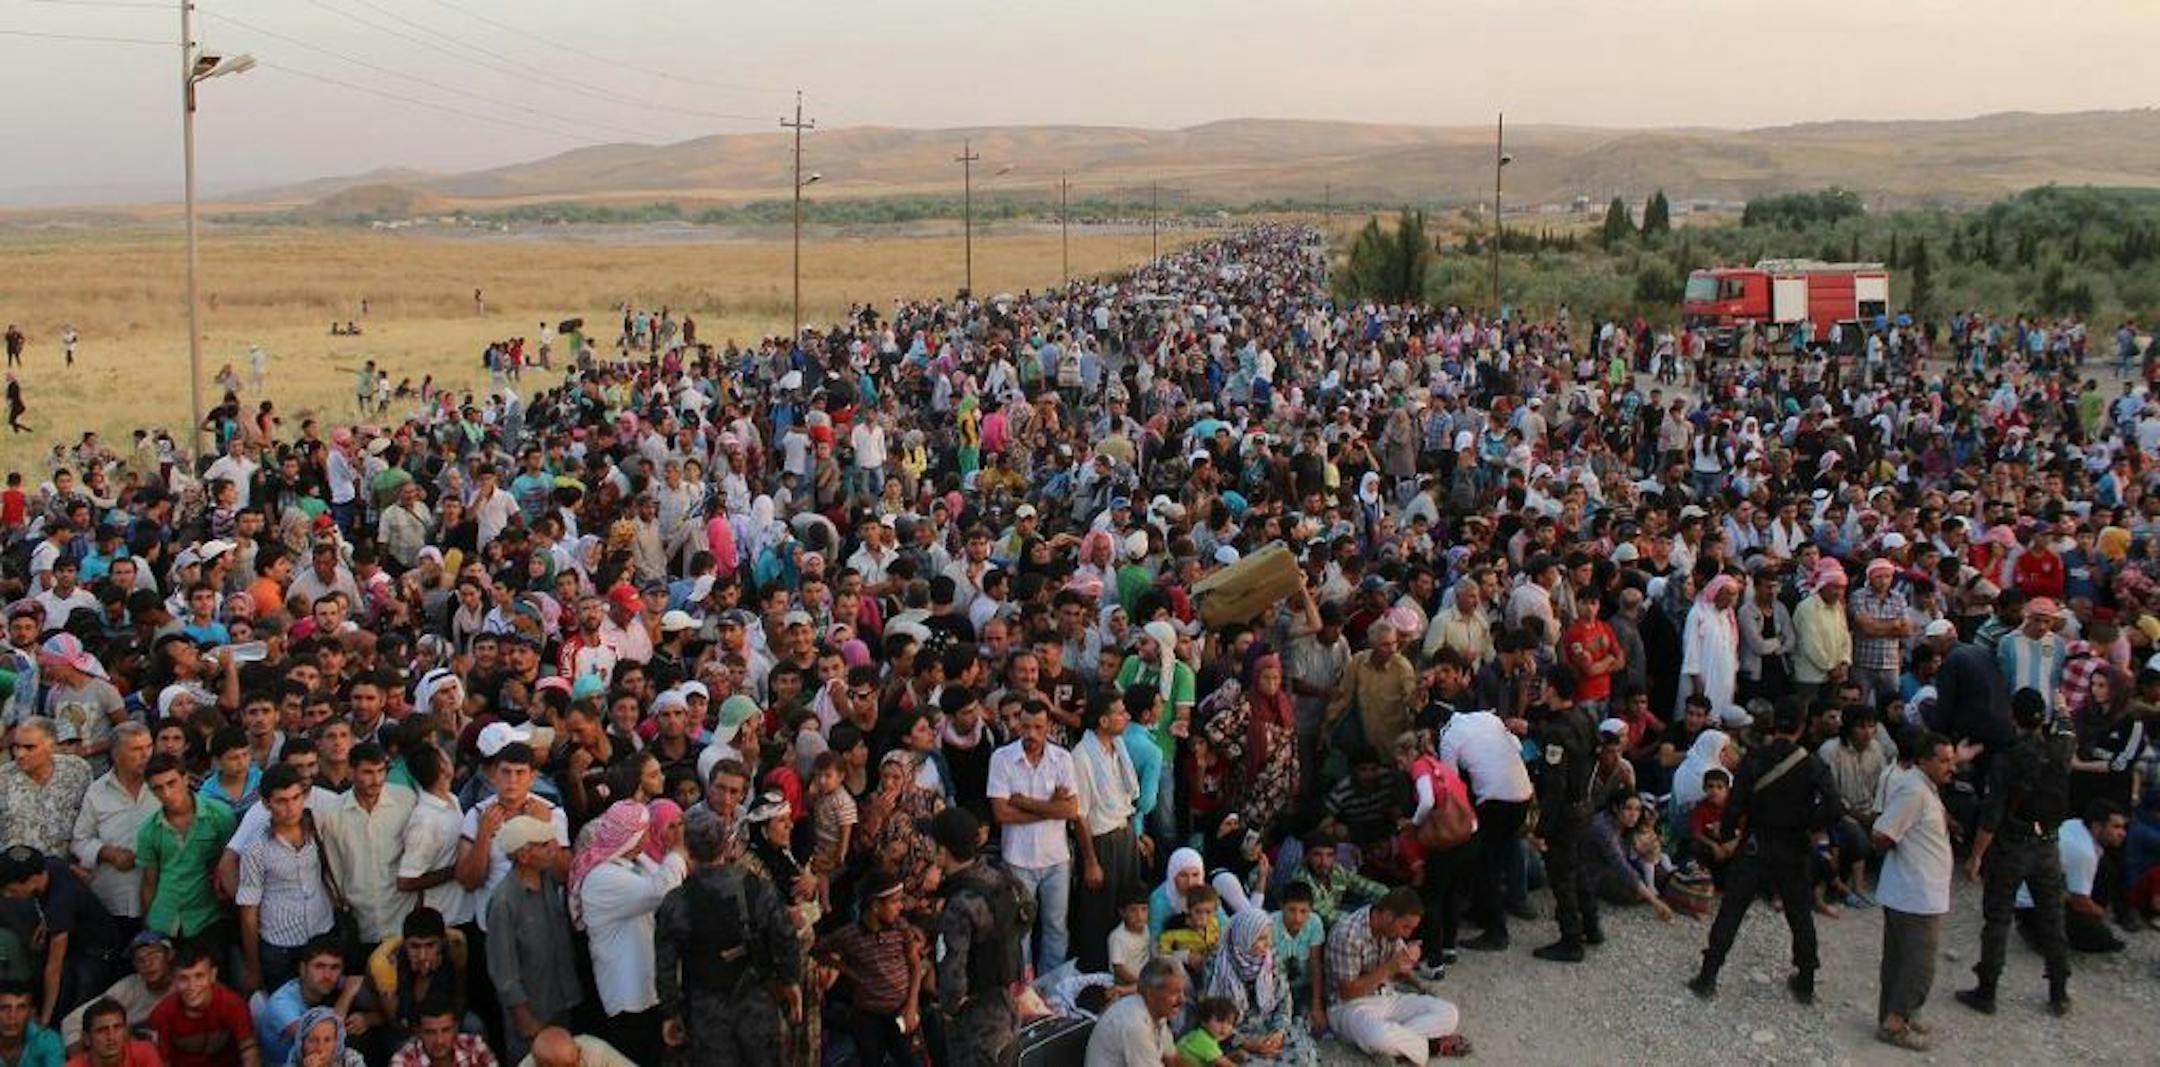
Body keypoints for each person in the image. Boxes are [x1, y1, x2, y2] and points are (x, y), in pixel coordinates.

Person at [1688, 703, 1843, 1004]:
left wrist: (1730, 832)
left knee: (1732, 911)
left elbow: (1735, 804)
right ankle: (1806, 981)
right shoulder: (1811, 764)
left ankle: (1708, 976)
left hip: (1756, 843)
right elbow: (1834, 806)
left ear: (1773, 727)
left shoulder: (1755, 759)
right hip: (1793, 845)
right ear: (1802, 726)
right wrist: (1811, 825)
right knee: (1799, 914)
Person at [1958, 688, 2074, 1017]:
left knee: (1997, 919)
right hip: (2048, 842)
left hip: (2013, 844)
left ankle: (1987, 990)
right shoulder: (2060, 748)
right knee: (2052, 918)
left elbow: (1992, 814)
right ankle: (2059, 991)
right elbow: (2067, 725)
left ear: (2013, 716)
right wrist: (2063, 707)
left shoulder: (2008, 758)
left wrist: (1977, 855)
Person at [654, 808, 800, 1067]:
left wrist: (671, 1014)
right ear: (725, 844)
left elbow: (666, 967)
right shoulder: (759, 889)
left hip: (707, 1013)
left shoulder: (675, 904)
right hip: (757, 1003)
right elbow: (785, 937)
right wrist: (791, 982)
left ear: (687, 846)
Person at [1871, 732, 1958, 1051]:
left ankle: (1893, 1015)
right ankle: (1896, 1023)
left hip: (1912, 891)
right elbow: (1883, 833)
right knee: (1919, 966)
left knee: (1898, 960)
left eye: (1952, 760)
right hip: (1915, 893)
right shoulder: (1914, 791)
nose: (1951, 767)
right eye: (1945, 761)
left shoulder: (1924, 789)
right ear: (1924, 760)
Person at [983, 702, 1079, 975]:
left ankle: (1053, 984)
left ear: (1049, 727)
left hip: (1056, 859)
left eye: (1038, 727)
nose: (1031, 733)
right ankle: (1023, 986)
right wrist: (1051, 807)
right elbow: (1001, 814)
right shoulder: (1001, 759)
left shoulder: (1062, 759)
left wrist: (1024, 803)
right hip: (1018, 859)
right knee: (1019, 929)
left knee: (1056, 927)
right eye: (1025, 726)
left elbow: (1071, 810)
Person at [1322, 887, 1469, 1062]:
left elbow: (1396, 973)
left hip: (1387, 996)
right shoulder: (1348, 935)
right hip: (1349, 1007)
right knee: (1380, 1036)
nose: (1407, 934)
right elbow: (1347, 993)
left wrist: (1408, 968)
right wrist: (1390, 967)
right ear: (1388, 916)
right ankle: (1429, 1046)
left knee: (1449, 1013)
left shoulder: (1390, 931)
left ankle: (1398, 1047)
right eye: (1405, 926)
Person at [480, 818, 580, 1065]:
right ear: (524, 855)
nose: (552, 849)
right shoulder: (504, 902)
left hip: (560, 1000)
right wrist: (523, 1016)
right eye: (544, 845)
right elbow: (504, 971)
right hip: (532, 1011)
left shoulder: (547, 879)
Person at [929, 807, 1022, 1067]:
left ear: (943, 851)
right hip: (1007, 1005)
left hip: (977, 1022)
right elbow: (1027, 912)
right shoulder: (999, 878)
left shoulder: (959, 903)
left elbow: (953, 970)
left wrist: (949, 1008)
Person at [812, 871, 925, 1067]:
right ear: (875, 906)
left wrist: (912, 1005)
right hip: (868, 1016)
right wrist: (843, 969)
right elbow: (818, 950)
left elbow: (914, 965)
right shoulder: (850, 936)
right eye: (894, 902)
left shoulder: (901, 929)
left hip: (900, 1010)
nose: (900, 907)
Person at [147, 942, 256, 1067]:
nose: (192, 986)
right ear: (174, 980)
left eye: (199, 976)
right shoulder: (162, 1014)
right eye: (183, 979)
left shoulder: (233, 1004)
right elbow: (161, 1062)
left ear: (213, 975)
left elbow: (249, 1051)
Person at [1083, 957, 1180, 1067]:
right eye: (1174, 993)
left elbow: (1173, 1059)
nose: (1182, 1000)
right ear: (1150, 994)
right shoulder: (1135, 1025)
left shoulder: (1157, 1012)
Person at [68, 996, 160, 1067]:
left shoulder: (145, 1053)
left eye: (117, 1027)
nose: (111, 1036)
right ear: (87, 1038)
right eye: (102, 1030)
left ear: (125, 1032)